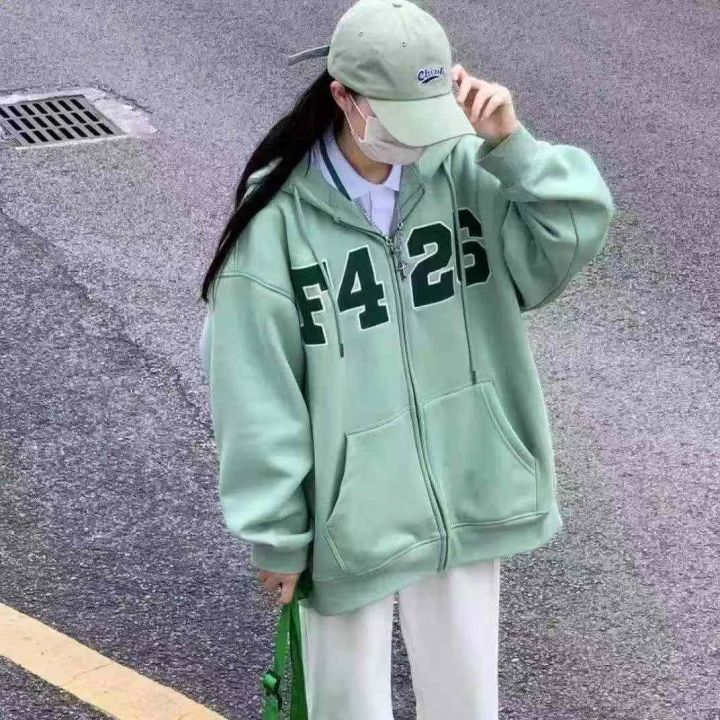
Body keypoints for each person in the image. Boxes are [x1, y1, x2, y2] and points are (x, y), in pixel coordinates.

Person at [198, 0, 616, 717]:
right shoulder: (277, 219)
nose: (419, 139)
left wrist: (511, 144)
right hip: (347, 521)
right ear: (344, 98)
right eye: (400, 117)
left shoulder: (469, 167)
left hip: (467, 484)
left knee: (467, 705)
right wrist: (278, 535)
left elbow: (576, 230)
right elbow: (254, 390)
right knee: (345, 707)